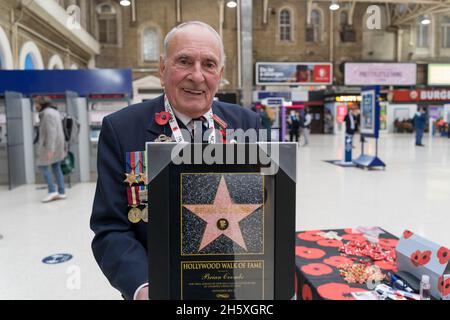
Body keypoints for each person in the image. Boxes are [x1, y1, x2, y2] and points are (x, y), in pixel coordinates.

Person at [90, 21, 261, 300]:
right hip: (159, 288)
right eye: (184, 61)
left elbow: (260, 212)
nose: (197, 76)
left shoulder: (246, 123)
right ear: (162, 68)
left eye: (208, 64)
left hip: (232, 288)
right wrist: (142, 287)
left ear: (220, 74)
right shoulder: (122, 130)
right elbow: (111, 228)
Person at [34, 96, 67, 203]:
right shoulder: (54, 111)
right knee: (56, 167)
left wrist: (50, 150)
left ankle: (52, 191)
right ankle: (62, 192)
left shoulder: (47, 114)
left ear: (41, 104)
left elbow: (51, 132)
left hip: (51, 146)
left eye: (36, 103)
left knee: (42, 166)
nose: (35, 106)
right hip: (58, 144)